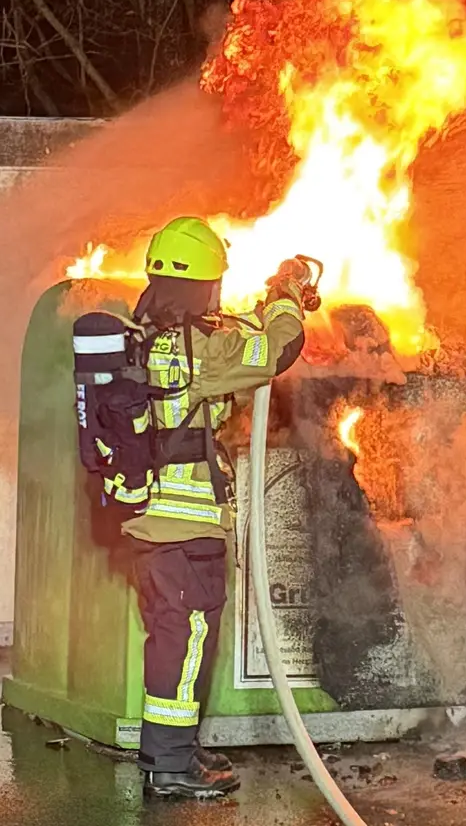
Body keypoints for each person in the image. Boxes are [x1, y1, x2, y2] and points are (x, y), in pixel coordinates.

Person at [124, 216, 312, 799]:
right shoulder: (204, 346)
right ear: (205, 283)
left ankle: (174, 747)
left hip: (148, 522)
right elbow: (278, 349)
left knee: (173, 637)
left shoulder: (143, 333)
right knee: (186, 638)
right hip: (187, 526)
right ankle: (171, 764)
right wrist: (286, 300)